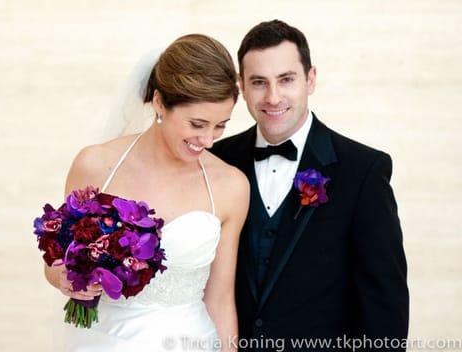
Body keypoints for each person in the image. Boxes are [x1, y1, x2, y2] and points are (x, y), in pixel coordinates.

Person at [210, 20, 409, 351]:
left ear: (310, 79)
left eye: (286, 80)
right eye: (259, 82)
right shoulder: (218, 160)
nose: (273, 97)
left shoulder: (362, 170)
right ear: (242, 87)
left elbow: (384, 302)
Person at [44, 34, 250, 351]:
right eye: (197, 123)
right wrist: (65, 279)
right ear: (158, 103)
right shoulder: (95, 165)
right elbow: (56, 262)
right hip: (103, 342)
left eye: (220, 125)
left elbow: (221, 299)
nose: (208, 139)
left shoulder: (230, 186)